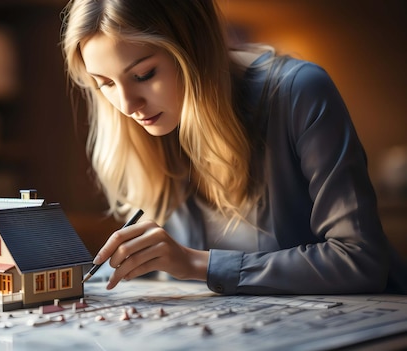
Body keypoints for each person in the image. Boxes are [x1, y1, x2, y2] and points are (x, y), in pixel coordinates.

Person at [60, 0, 407, 295]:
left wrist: (197, 263)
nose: (127, 105)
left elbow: (361, 259)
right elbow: (157, 271)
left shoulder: (298, 93)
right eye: (104, 83)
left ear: (194, 46)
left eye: (144, 74)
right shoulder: (150, 129)